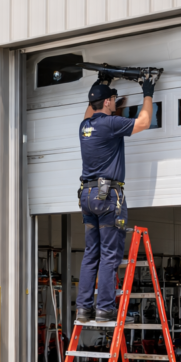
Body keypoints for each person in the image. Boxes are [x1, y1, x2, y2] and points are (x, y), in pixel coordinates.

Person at [76, 76, 156, 323]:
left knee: (92, 254)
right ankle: (105, 309)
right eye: (111, 99)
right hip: (108, 196)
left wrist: (100, 85)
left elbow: (91, 109)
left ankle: (84, 309)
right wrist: (148, 92)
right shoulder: (110, 124)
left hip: (88, 196)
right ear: (108, 102)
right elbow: (143, 122)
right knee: (110, 254)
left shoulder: (84, 126)